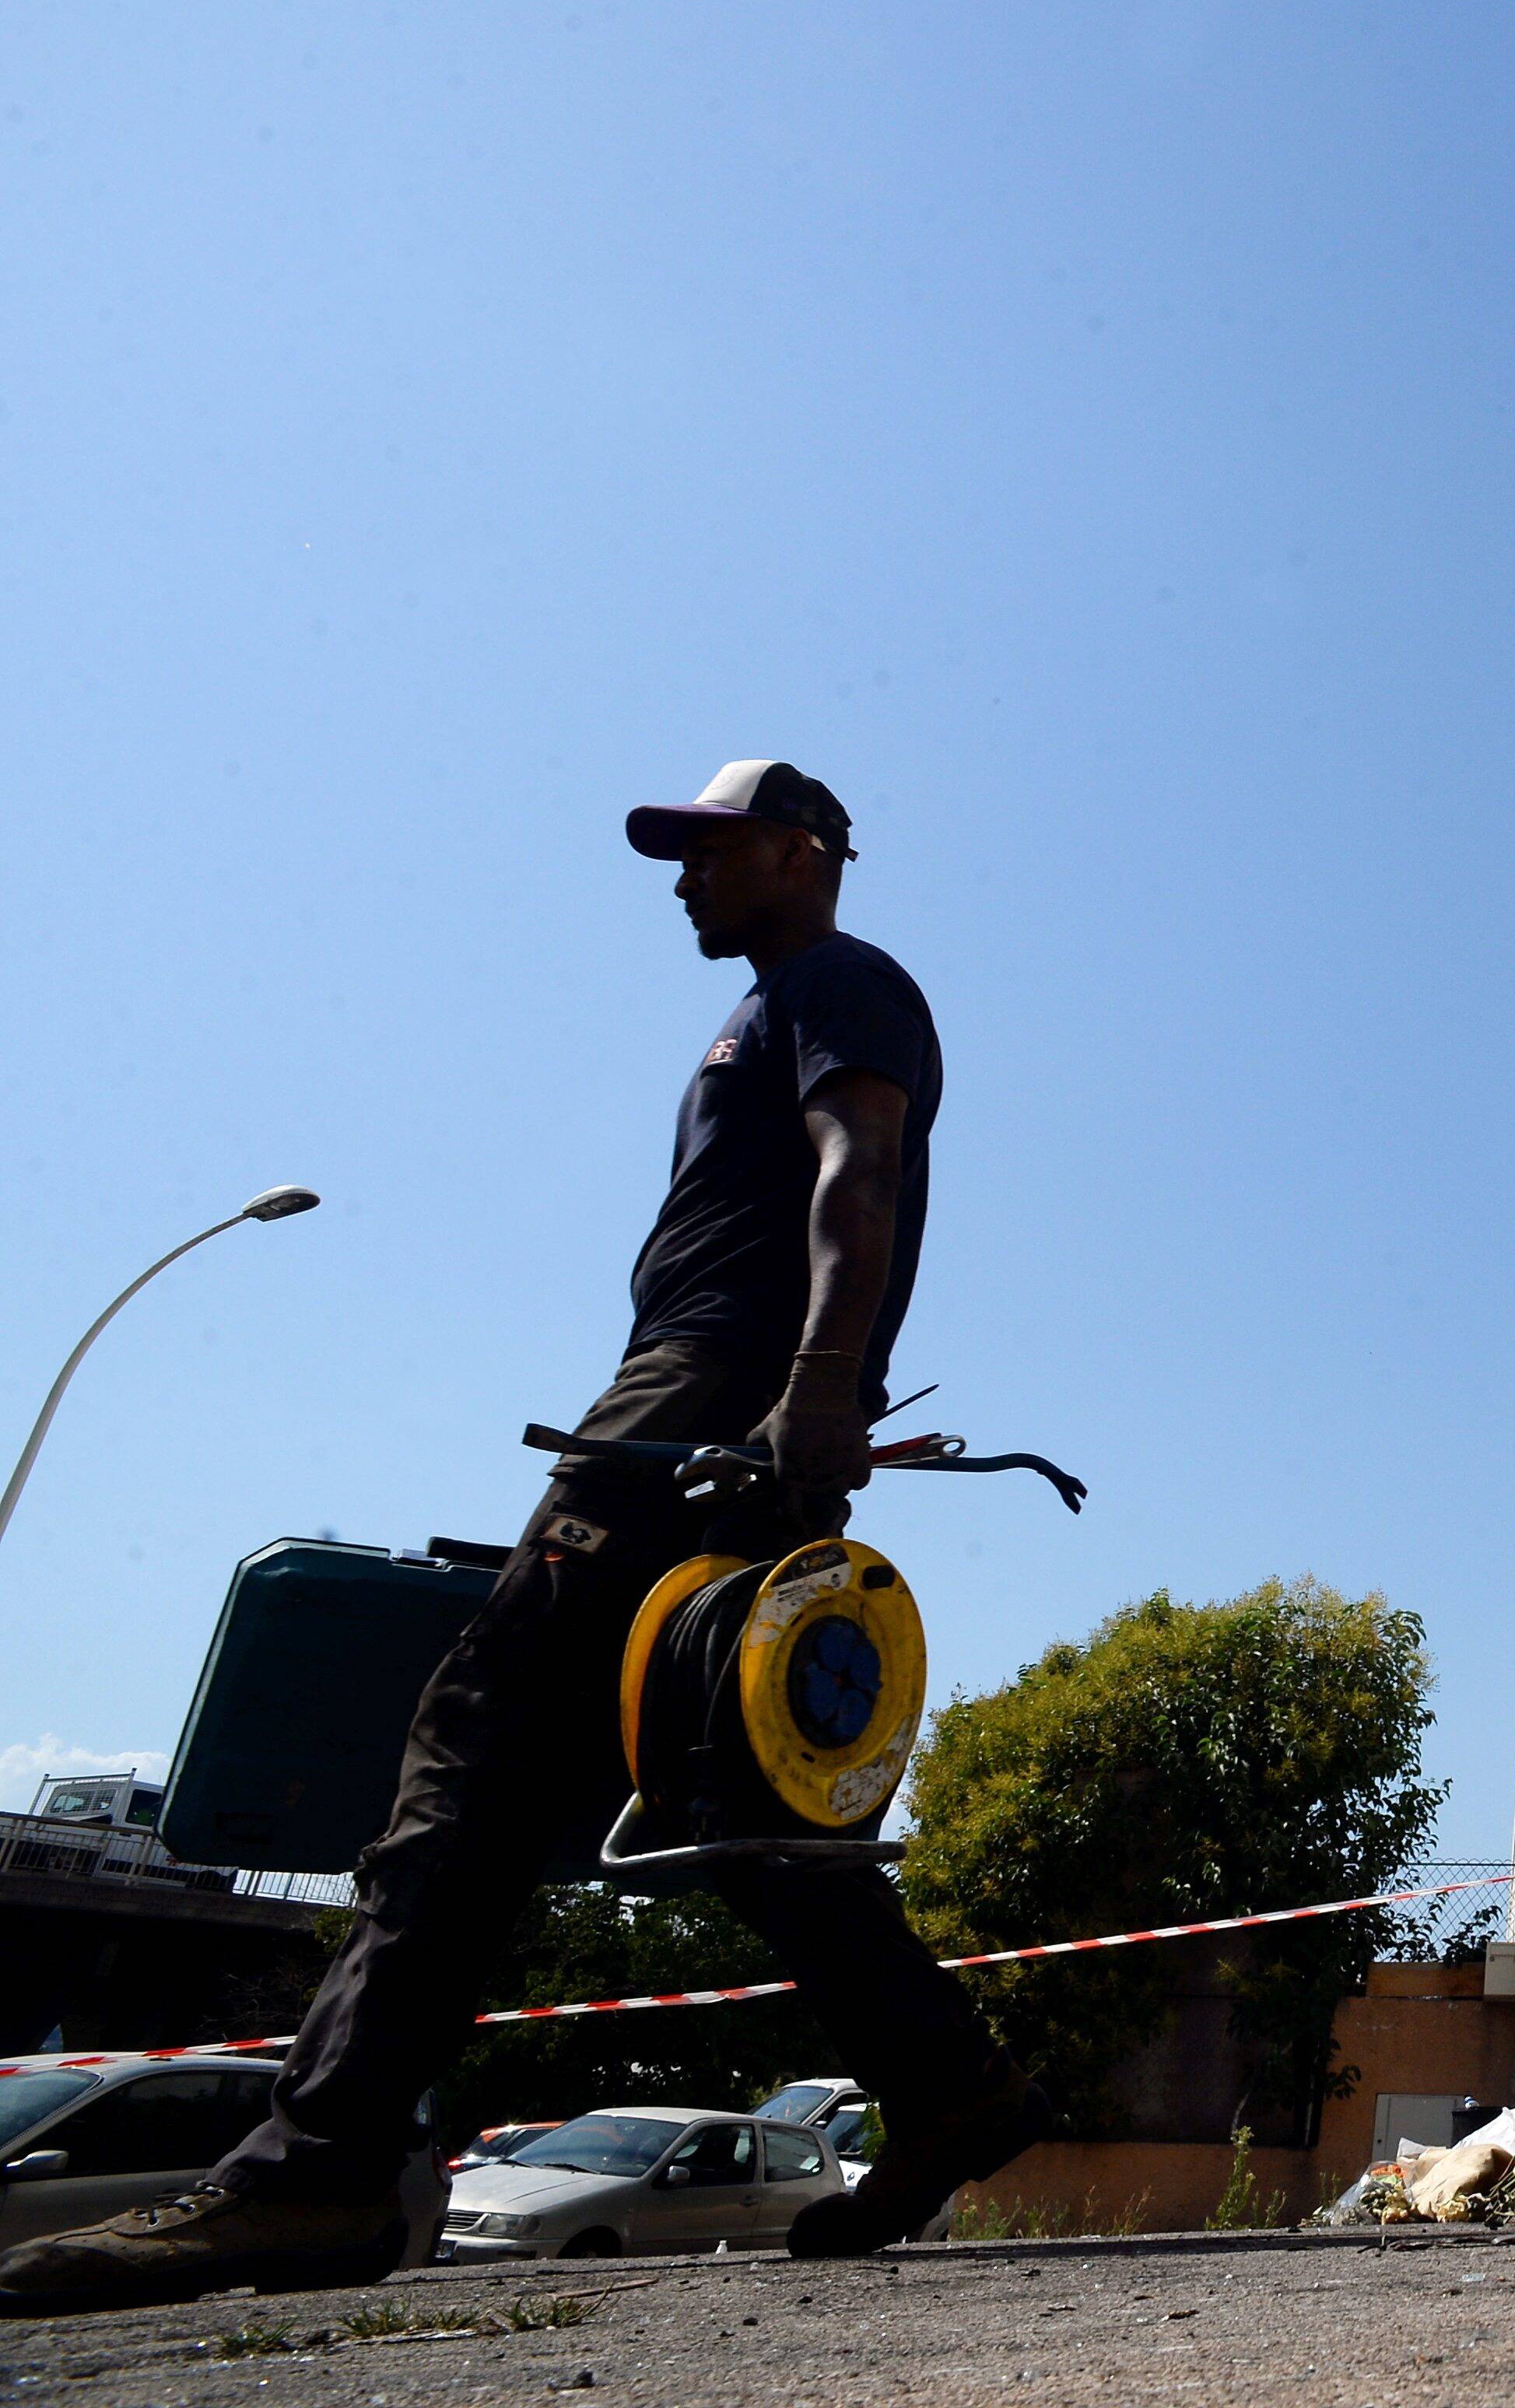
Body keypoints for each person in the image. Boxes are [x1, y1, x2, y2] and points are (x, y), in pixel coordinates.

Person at [1, 761, 1045, 2316]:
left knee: (474, 1752)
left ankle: (316, 2174)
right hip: (729, 1400)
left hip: (705, 1396)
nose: (680, 875)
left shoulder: (841, 981)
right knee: (722, 1787)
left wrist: (819, 1380)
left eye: (707, 848)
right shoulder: (771, 1003)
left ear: (800, 850)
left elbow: (861, 1165)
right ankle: (950, 2087)